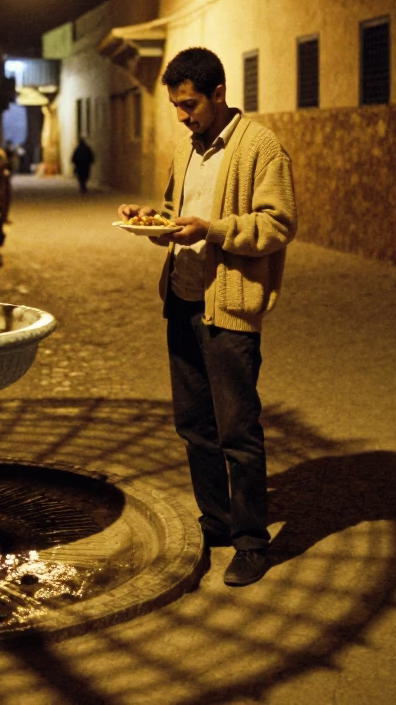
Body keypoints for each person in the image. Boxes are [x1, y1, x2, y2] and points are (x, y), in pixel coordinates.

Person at [117, 47, 297, 586]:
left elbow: (278, 224)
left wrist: (213, 230)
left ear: (218, 94)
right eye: (176, 105)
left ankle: (251, 542)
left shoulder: (261, 148)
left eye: (190, 104)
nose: (183, 115)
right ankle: (217, 521)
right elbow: (178, 216)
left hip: (229, 306)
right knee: (194, 425)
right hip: (183, 301)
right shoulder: (188, 147)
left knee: (237, 429)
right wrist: (150, 218)